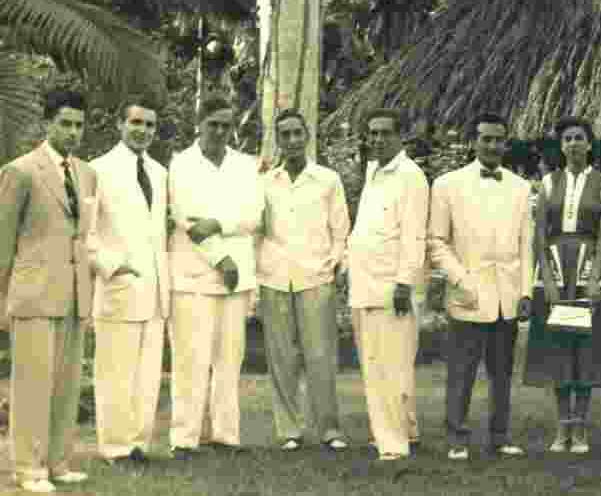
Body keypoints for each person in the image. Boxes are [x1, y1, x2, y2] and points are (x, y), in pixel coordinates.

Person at [0, 89, 113, 492]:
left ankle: (59, 461)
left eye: (78, 125)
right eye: (64, 123)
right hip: (32, 293)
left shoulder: (87, 174)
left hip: (74, 291)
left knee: (66, 386)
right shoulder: (21, 171)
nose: (72, 131)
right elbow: (3, 242)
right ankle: (28, 468)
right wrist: (2, 300)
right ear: (47, 123)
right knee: (32, 385)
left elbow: (84, 235)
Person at [429, 113, 533, 461]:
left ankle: (500, 436)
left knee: (502, 373)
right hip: (467, 291)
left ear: (506, 142)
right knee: (461, 371)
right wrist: (461, 279)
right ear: (474, 141)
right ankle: (457, 437)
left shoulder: (520, 187)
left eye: (498, 139)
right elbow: (437, 242)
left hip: (506, 294)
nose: (491, 145)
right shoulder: (447, 184)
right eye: (485, 139)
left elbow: (525, 243)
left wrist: (525, 292)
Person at [167, 96, 263, 457]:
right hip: (194, 274)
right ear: (200, 123)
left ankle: (226, 435)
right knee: (191, 359)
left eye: (226, 125)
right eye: (213, 125)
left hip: (236, 279)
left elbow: (254, 213)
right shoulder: (181, 164)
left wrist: (220, 222)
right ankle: (185, 438)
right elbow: (186, 220)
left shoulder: (244, 165)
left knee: (229, 360)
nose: (220, 132)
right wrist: (220, 257)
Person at [522, 117, 601, 454]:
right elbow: (539, 234)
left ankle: (580, 429)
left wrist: (594, 281)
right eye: (568, 139)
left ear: (589, 144)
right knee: (561, 347)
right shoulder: (547, 184)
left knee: (585, 349)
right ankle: (561, 427)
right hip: (556, 271)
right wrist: (547, 280)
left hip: (589, 271)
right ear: (561, 145)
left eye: (580, 138)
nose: (574, 144)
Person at [258, 109, 349, 453]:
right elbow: (257, 229)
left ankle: (329, 429)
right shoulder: (266, 182)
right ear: (278, 140)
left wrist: (335, 266)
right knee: (281, 357)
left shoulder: (328, 180)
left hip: (316, 277)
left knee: (320, 355)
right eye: (285, 135)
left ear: (307, 136)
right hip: (275, 277)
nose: (293, 140)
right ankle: (290, 430)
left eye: (298, 133)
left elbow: (341, 231)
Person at [89, 96, 171, 466]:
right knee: (114, 373)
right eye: (136, 123)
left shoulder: (158, 172)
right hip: (118, 286)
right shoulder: (98, 170)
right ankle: (114, 447)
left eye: (150, 125)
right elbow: (85, 235)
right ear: (120, 124)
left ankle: (138, 443)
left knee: (147, 374)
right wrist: (112, 266)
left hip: (154, 290)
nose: (143, 131)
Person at [346, 108, 429, 461]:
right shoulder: (374, 171)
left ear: (400, 137)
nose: (377, 139)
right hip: (365, 282)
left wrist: (403, 284)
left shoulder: (411, 176)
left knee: (389, 368)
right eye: (372, 133)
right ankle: (405, 432)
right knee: (378, 364)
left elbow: (413, 235)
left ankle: (392, 445)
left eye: (384, 133)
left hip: (391, 287)